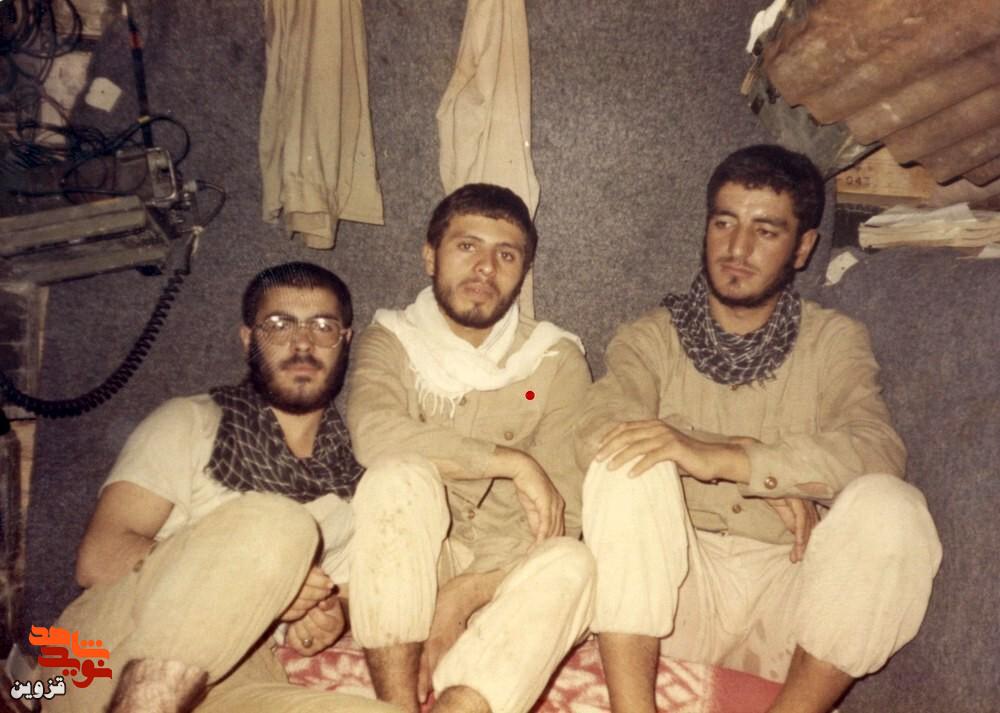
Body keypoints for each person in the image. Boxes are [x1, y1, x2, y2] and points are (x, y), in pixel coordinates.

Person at [575, 145, 942, 713]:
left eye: (765, 231)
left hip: (791, 595)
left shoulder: (834, 340)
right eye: (724, 223)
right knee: (625, 463)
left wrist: (745, 462)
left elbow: (877, 451)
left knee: (893, 508)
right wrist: (720, 451)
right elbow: (595, 431)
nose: (737, 248)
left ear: (803, 247)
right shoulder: (651, 337)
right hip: (674, 593)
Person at [47, 262, 396, 713]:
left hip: (237, 671)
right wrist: (261, 576)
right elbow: (97, 559)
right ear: (249, 339)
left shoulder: (352, 481)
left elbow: (334, 604)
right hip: (106, 653)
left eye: (323, 326)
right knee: (278, 525)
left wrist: (321, 620)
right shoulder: (189, 421)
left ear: (344, 341)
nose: (303, 342)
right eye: (279, 325)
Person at [345, 183, 595, 713]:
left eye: (506, 255)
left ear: (523, 272)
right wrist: (510, 462)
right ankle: (397, 703)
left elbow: (564, 508)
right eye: (467, 246)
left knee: (572, 562)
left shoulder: (552, 361)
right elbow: (375, 433)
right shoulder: (391, 340)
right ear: (430, 256)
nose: (485, 268)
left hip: (504, 570)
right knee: (395, 477)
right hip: (411, 563)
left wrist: (463, 597)